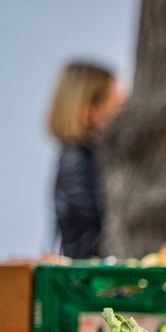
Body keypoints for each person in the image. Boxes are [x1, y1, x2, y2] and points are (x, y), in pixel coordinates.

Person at [46, 61, 126, 258]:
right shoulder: (81, 160)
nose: (125, 117)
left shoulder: (83, 156)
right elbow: (86, 236)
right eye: (118, 106)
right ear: (89, 109)